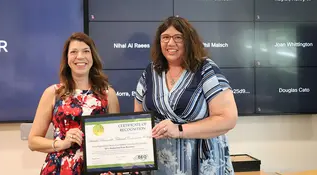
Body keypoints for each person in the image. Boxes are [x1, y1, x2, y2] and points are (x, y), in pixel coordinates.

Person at [134, 16, 238, 175]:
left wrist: (179, 129)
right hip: (160, 165)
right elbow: (138, 117)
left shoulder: (205, 69)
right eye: (165, 38)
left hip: (201, 162)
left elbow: (227, 119)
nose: (170, 43)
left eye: (178, 38)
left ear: (189, 41)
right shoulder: (151, 71)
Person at [28, 32, 120, 175]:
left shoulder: (108, 94)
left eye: (86, 51)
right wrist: (61, 143)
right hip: (60, 169)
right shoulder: (53, 93)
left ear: (92, 57)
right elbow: (33, 141)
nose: (80, 56)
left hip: (97, 169)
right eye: (74, 52)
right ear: (67, 59)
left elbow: (116, 141)